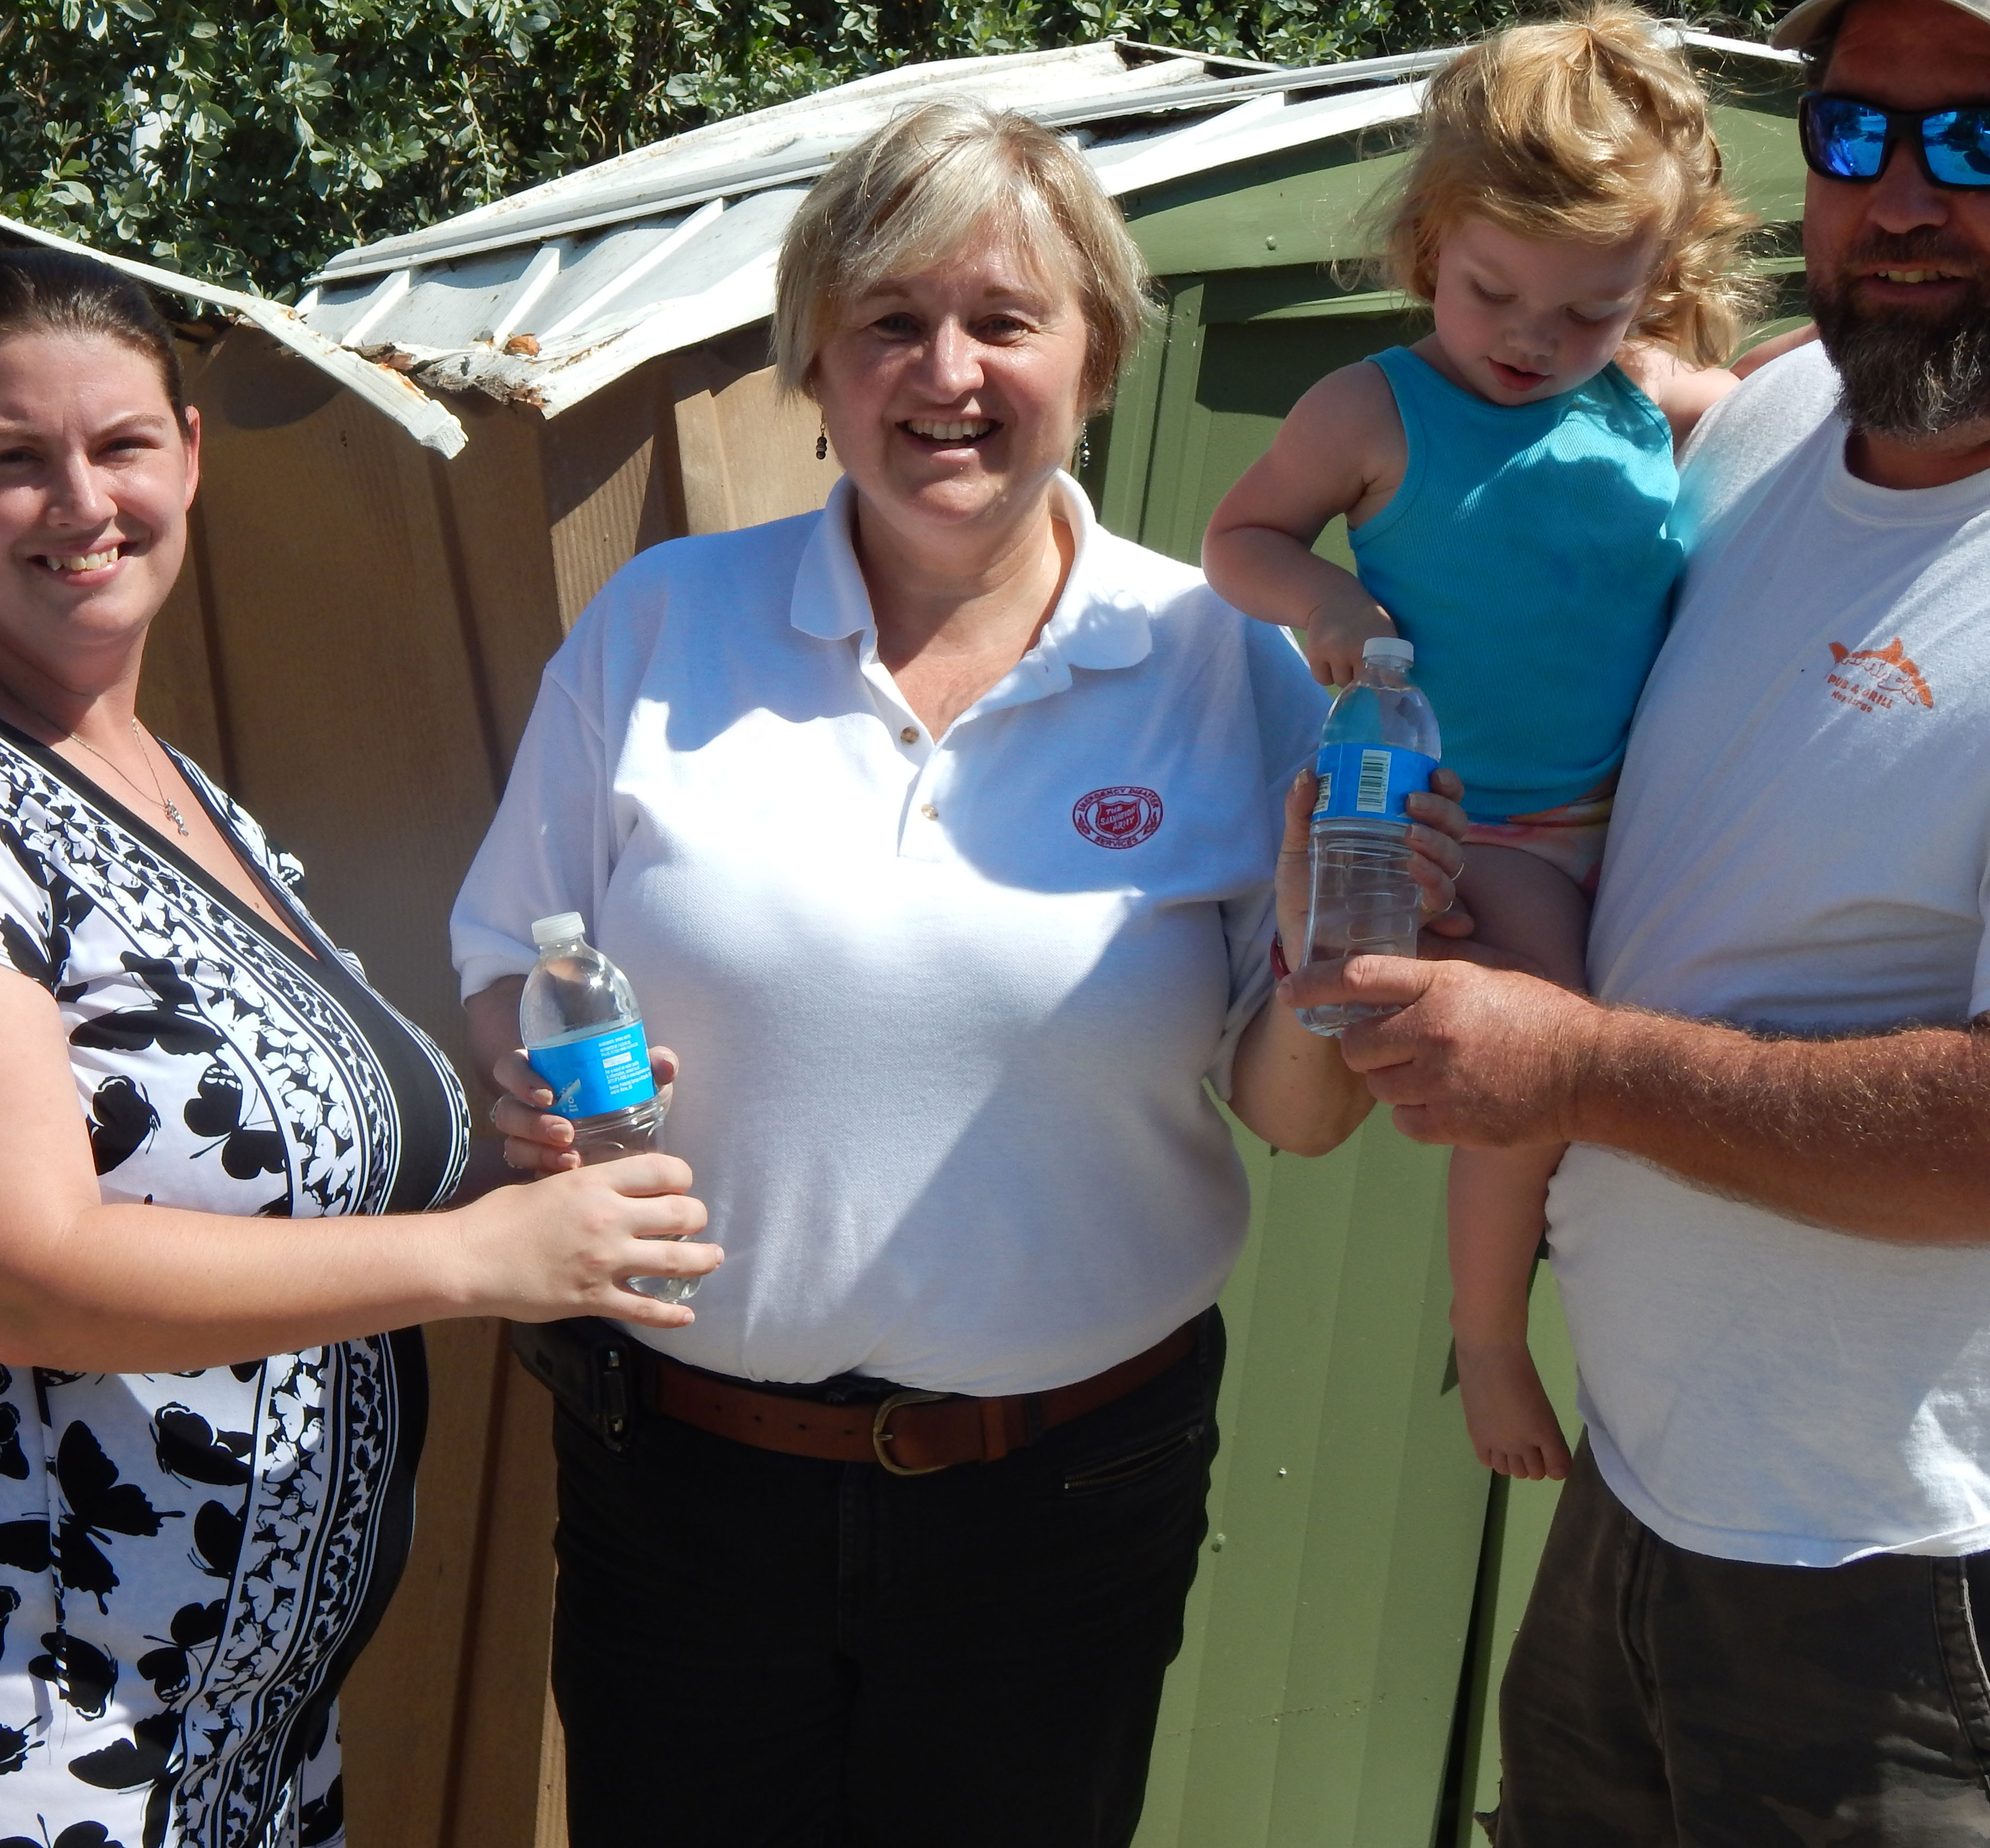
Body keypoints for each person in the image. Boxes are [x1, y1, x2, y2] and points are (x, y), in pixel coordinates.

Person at [1285, 0, 1990, 1838]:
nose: (1903, 194)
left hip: (1938, 1572)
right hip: (1654, 1482)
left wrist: (1573, 1065)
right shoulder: (1773, 424)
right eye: (1856, 134)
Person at [449, 101, 1467, 1847]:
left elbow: (1296, 1121)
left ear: (1098, 359)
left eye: (1006, 320)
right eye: (891, 323)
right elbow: (505, 958)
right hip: (687, 1482)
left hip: (1066, 1489)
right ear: (819, 365)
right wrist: (535, 1092)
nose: (949, 371)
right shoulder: (662, 626)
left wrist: (1328, 950)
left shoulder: (1223, 660)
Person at [0, 247, 715, 1848]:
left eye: (120, 446)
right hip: (14, 1732)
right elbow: (20, 1276)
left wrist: (514, 1138)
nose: (79, 500)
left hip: (235, 1743)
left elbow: (272, 1179)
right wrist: (482, 1258)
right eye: (11, 462)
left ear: (190, 455)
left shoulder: (179, 789)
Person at [1202, 7, 1748, 1482]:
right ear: (1432, 237)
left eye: (1589, 311)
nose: (1531, 340)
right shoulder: (1374, 408)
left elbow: (1808, 430)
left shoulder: (1659, 407)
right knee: (1551, 1032)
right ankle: (1492, 1332)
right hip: (1452, 818)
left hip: (1623, 819)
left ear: (1656, 285)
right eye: (1495, 290)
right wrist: (1321, 589)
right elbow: (1236, 537)